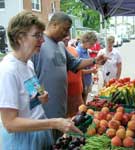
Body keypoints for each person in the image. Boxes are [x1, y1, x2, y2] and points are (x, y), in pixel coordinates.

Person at [0, 11, 82, 150]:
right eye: (37, 35)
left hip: (39, 133)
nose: (43, 40)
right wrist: (54, 123)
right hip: (23, 141)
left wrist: (41, 95)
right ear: (20, 37)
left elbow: (34, 94)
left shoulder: (28, 63)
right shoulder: (8, 71)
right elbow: (10, 124)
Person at [31, 12, 107, 140]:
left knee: (59, 142)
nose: (67, 34)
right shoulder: (39, 44)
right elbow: (29, 76)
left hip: (60, 109)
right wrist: (38, 97)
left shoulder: (61, 45)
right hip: (43, 114)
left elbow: (75, 64)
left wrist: (95, 61)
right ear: (54, 24)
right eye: (65, 29)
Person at [63, 35, 84, 117]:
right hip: (66, 94)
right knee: (68, 118)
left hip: (77, 91)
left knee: (79, 116)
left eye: (68, 34)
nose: (67, 37)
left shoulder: (73, 50)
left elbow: (78, 68)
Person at [76, 32, 98, 103]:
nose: (92, 46)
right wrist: (91, 71)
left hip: (87, 80)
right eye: (91, 44)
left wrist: (93, 66)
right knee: (82, 103)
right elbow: (79, 70)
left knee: (85, 101)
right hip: (82, 82)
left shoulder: (86, 50)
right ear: (85, 41)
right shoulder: (78, 51)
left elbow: (86, 64)